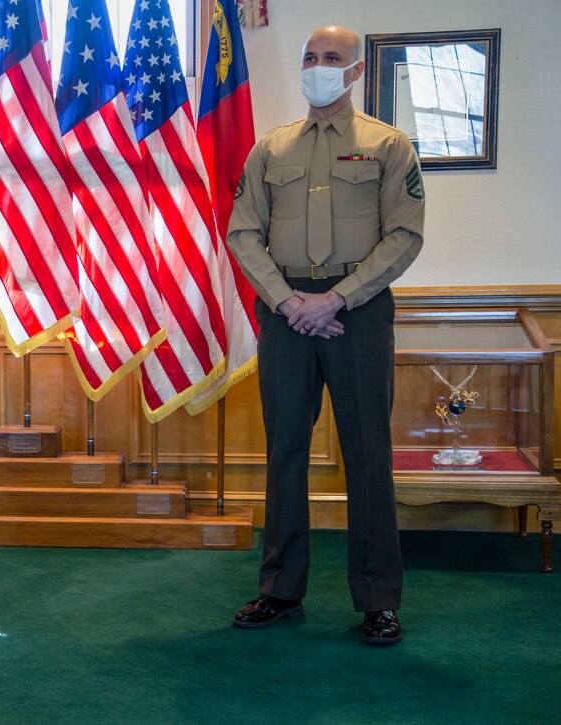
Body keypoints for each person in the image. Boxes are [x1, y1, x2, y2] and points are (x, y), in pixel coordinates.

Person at [226, 25, 424, 645]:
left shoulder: (389, 146)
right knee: (284, 450)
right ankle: (279, 590)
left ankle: (378, 600)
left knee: (368, 453)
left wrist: (337, 297)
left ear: (356, 71)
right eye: (309, 57)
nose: (318, 67)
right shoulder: (271, 149)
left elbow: (405, 235)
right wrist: (288, 302)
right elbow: (242, 232)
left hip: (357, 312)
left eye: (331, 58)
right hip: (285, 313)